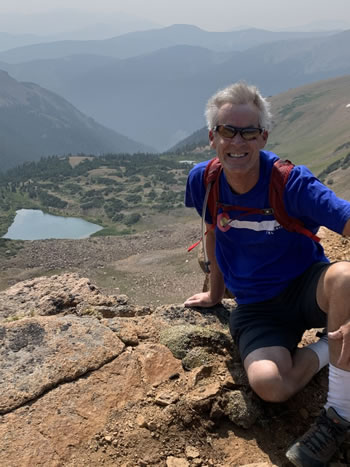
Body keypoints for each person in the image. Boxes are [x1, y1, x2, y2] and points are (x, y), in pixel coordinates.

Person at [184, 81, 350, 467]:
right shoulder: (204, 181)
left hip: (307, 287)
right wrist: (213, 292)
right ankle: (327, 349)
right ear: (213, 137)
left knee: (344, 278)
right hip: (257, 307)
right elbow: (213, 232)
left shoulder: (290, 182)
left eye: (249, 132)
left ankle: (339, 414)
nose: (237, 141)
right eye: (228, 130)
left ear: (263, 137)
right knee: (270, 385)